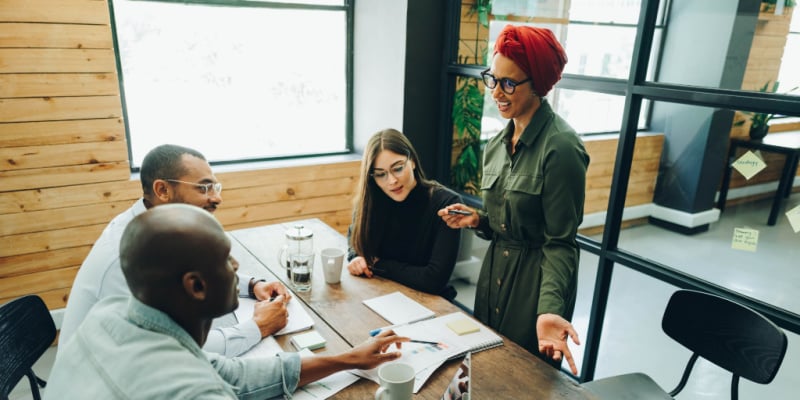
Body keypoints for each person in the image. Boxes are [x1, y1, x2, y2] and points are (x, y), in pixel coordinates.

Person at [44, 204, 408, 399]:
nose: (236, 266)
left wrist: (348, 359)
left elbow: (232, 375)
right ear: (196, 286)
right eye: (225, 258)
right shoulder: (196, 392)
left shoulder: (110, 313)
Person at [438, 25, 589, 375]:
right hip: (493, 278)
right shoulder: (495, 146)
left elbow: (560, 243)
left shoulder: (562, 148)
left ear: (537, 83)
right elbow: (505, 223)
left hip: (534, 287)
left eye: (508, 83)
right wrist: (478, 220)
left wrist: (549, 309)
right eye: (492, 78)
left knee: (522, 379)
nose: (496, 92)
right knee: (485, 368)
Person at [59, 144, 291, 357]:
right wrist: (258, 326)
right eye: (204, 188)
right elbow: (176, 346)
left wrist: (251, 285)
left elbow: (196, 274)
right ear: (162, 190)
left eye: (215, 187)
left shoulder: (162, 227)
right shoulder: (123, 258)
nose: (217, 198)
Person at [346, 129, 462, 300]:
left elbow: (434, 279)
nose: (392, 181)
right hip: (380, 295)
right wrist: (356, 257)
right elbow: (355, 239)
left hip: (431, 303)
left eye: (398, 168)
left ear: (412, 161)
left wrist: (378, 264)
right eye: (380, 174)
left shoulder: (447, 203)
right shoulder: (371, 198)